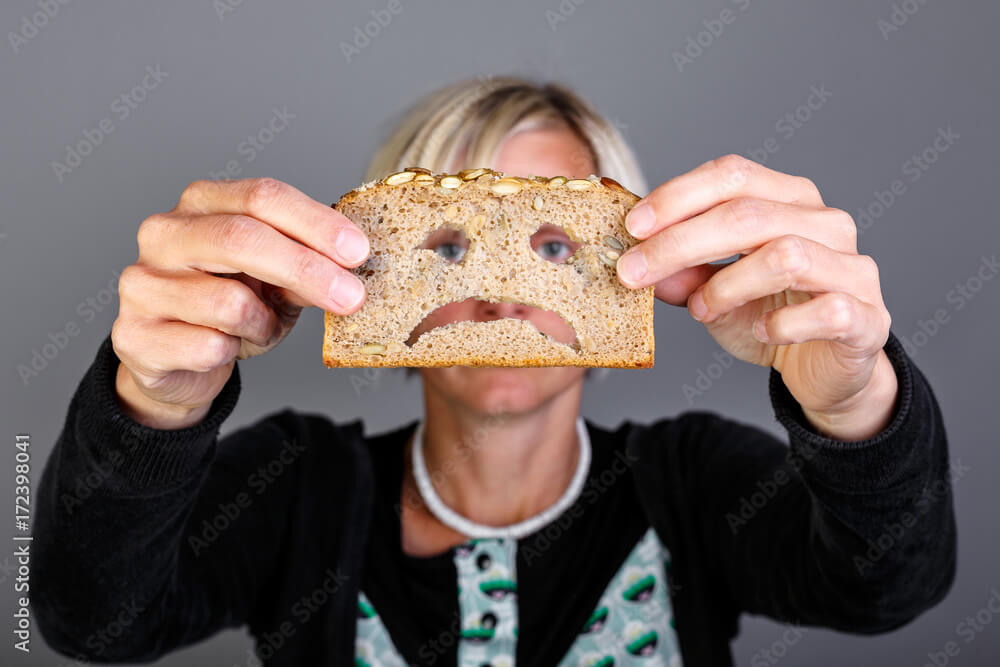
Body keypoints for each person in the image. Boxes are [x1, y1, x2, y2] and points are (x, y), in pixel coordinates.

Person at [31, 77, 956, 666]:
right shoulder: (297, 487)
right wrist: (152, 404)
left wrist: (853, 402)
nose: (503, 295)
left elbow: (889, 588)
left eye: (555, 245)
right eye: (446, 245)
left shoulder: (693, 483)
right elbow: (91, 617)